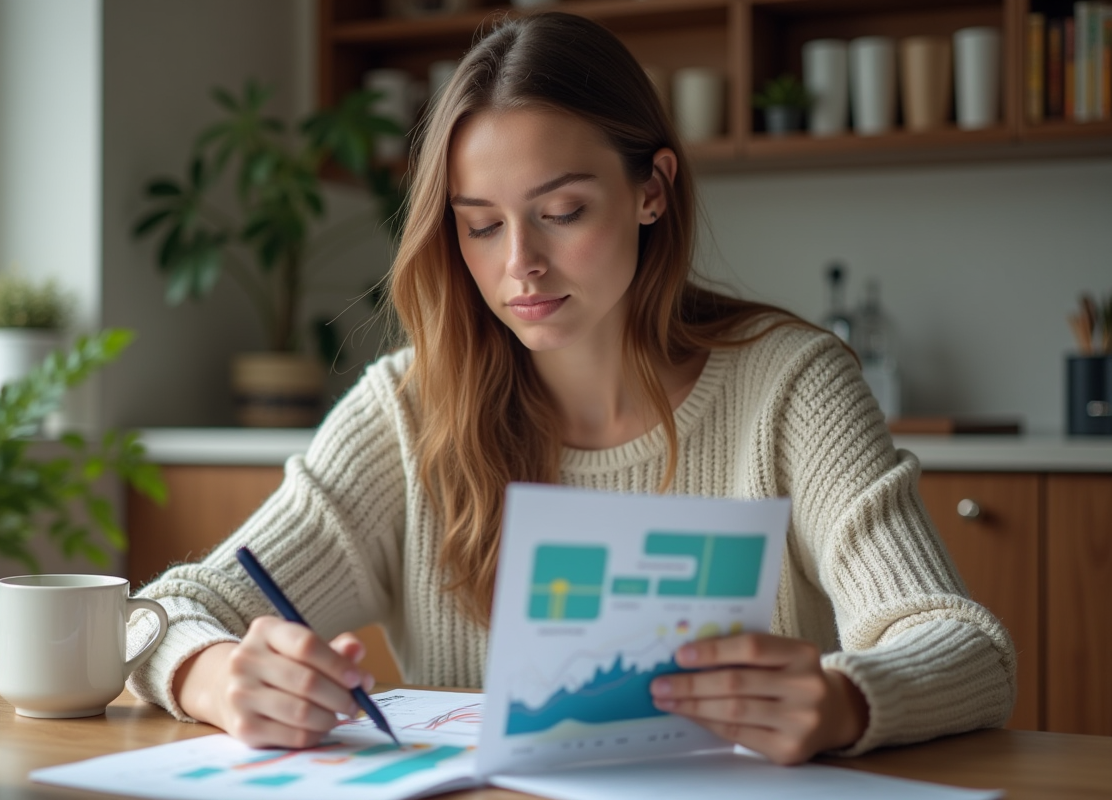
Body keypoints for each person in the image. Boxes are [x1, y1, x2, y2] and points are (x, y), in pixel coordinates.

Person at [126, 11, 1014, 766]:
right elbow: (164, 612)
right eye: (481, 226)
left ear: (652, 190)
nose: (521, 264)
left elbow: (967, 648)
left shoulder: (792, 387)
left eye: (562, 212)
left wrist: (844, 699)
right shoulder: (408, 409)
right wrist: (217, 676)